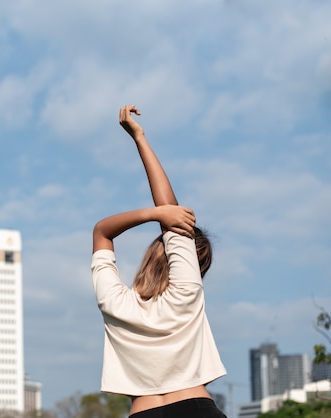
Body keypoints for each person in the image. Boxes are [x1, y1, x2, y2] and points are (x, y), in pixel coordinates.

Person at [91, 105, 227, 417]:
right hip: (197, 409)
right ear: (196, 265)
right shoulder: (186, 292)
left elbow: (102, 232)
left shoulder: (115, 303)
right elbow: (173, 216)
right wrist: (141, 138)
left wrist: (153, 214)